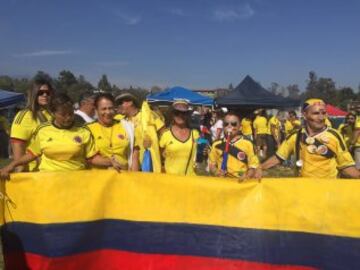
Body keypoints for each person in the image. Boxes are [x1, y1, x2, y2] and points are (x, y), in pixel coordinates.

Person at [0, 94, 122, 180]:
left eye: (70, 114)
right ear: (53, 113)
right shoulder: (43, 130)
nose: (68, 118)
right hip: (48, 181)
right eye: (63, 115)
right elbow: (31, 154)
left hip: (77, 181)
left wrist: (109, 161)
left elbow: (92, 158)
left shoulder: (83, 131)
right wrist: (11, 166)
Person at [261, 99, 359, 178]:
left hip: (328, 192)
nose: (321, 117)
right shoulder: (295, 136)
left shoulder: (335, 136)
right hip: (303, 191)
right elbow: (278, 158)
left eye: (323, 113)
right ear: (305, 115)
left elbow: (346, 166)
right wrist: (258, 168)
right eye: (316, 113)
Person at [87, 93, 139, 171]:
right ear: (96, 110)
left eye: (110, 108)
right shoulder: (88, 129)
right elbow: (89, 157)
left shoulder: (127, 126)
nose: (108, 112)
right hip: (99, 179)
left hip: (124, 177)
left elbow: (135, 152)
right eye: (104, 109)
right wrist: (110, 162)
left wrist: (135, 175)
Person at [10, 78, 53, 172]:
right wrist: (21, 173)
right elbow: (18, 146)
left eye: (48, 92)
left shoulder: (54, 114)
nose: (45, 95)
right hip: (34, 173)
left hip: (54, 170)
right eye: (40, 92)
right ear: (33, 94)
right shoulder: (25, 115)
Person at [115, 93, 165, 172]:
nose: (119, 106)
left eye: (121, 103)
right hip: (131, 166)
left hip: (150, 165)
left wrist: (163, 154)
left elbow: (164, 133)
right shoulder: (119, 120)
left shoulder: (148, 114)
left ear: (130, 102)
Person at [209, 112, 261, 179]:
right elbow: (211, 164)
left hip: (240, 183)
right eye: (226, 124)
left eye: (234, 124)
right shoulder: (216, 144)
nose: (229, 126)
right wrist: (216, 172)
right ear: (223, 127)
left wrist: (248, 175)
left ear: (240, 127)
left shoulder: (248, 144)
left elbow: (253, 165)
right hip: (222, 182)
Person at [159, 101, 199, 176]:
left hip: (190, 179)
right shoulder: (165, 135)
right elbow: (159, 157)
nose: (180, 115)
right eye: (177, 112)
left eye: (184, 113)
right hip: (171, 180)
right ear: (172, 115)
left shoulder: (195, 134)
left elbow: (199, 154)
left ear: (187, 115)